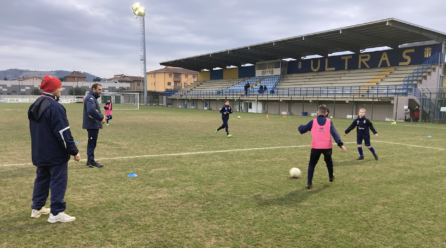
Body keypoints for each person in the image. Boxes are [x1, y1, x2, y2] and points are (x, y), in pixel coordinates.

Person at [28, 75, 80, 223]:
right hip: (55, 153)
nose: (61, 89)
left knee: (42, 178)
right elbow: (63, 133)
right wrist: (73, 151)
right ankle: (56, 212)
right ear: (52, 89)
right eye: (59, 87)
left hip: (39, 151)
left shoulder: (36, 104)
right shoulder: (55, 107)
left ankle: (37, 208)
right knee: (58, 180)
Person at [298, 105, 346, 189]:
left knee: (312, 163)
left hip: (316, 147)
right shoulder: (329, 122)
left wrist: (300, 126)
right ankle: (331, 177)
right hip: (327, 147)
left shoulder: (313, 122)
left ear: (317, 112)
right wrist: (340, 144)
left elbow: (302, 130)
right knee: (329, 161)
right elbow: (335, 134)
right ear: (326, 113)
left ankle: (309, 183)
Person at [83, 83, 106, 168]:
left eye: (101, 89)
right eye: (99, 89)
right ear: (94, 89)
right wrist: (101, 118)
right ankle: (91, 162)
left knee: (91, 143)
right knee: (92, 143)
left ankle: (89, 160)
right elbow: (91, 110)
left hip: (93, 124)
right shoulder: (90, 98)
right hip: (92, 124)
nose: (101, 91)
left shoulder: (92, 98)